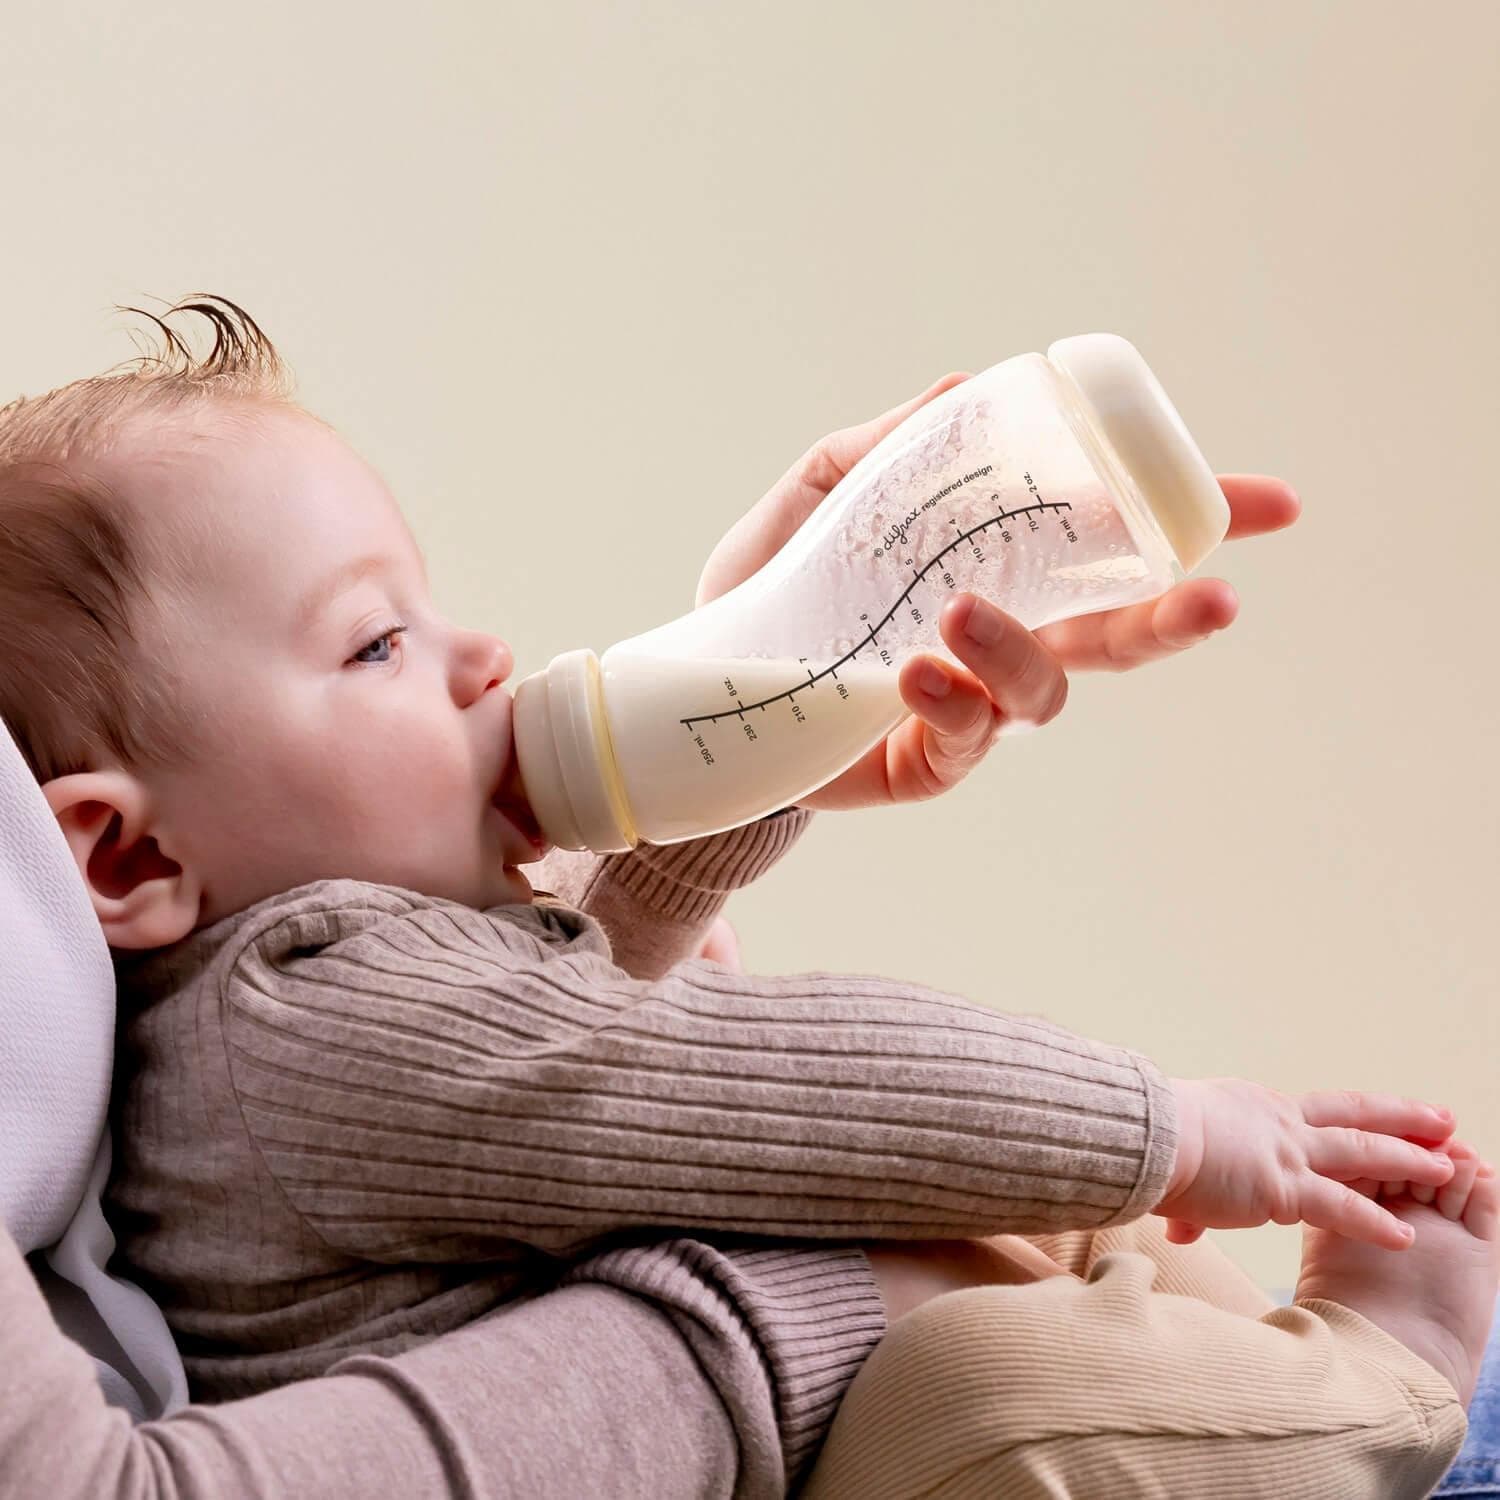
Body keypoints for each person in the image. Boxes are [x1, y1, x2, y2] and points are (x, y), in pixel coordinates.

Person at [1, 295, 1490, 1499]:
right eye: (375, 644)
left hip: (810, 1402)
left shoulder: (303, 1003)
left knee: (1082, 1254)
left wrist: (766, 695)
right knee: (1003, 1398)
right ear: (128, 860)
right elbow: (752, 1084)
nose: (480, 657)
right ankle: (1385, 1372)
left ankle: (1296, 1378)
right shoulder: (306, 1014)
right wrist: (1168, 1129)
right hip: (866, 1437)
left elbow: (570, 1036)